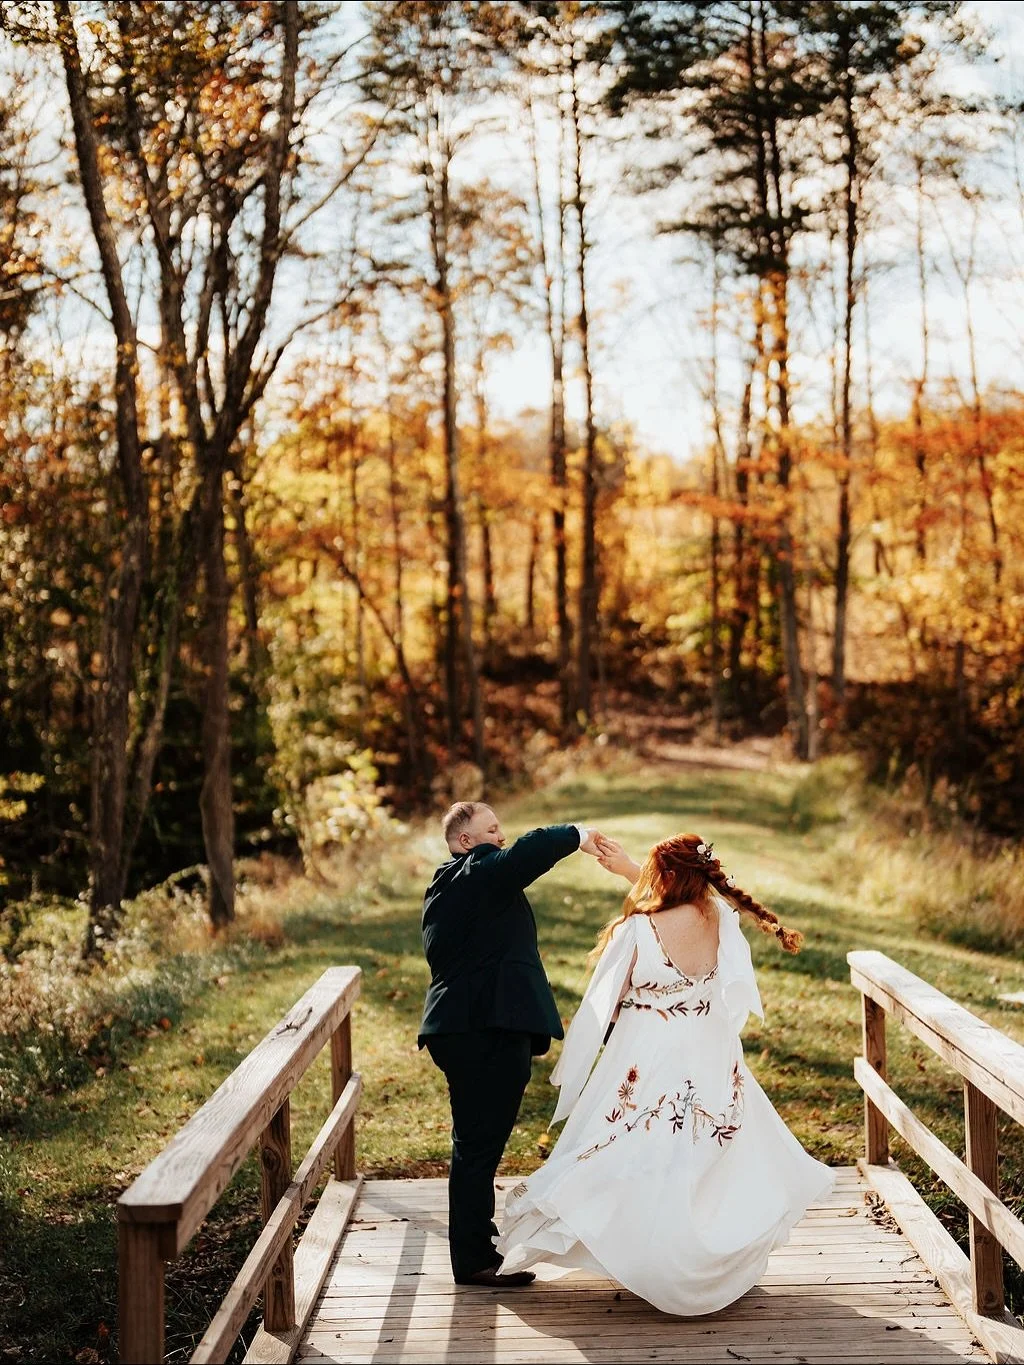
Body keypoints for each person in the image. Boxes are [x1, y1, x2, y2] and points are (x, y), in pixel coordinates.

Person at [494, 831, 834, 1316]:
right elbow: (702, 934)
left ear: (668, 877)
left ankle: (651, 1252)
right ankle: (706, 1252)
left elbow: (602, 1004)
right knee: (707, 1151)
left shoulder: (638, 930)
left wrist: (582, 1058)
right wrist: (635, 871)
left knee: (635, 1145)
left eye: (656, 872)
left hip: (646, 1051)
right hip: (709, 1048)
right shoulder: (722, 919)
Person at [418, 801, 605, 1287]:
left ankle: (476, 1251)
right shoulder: (475, 872)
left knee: (472, 1146)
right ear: (466, 841)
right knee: (479, 1148)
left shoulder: (447, 886)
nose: (502, 837)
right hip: (487, 1031)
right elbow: (528, 853)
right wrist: (576, 832)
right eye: (492, 830)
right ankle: (477, 1259)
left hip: (458, 1030)